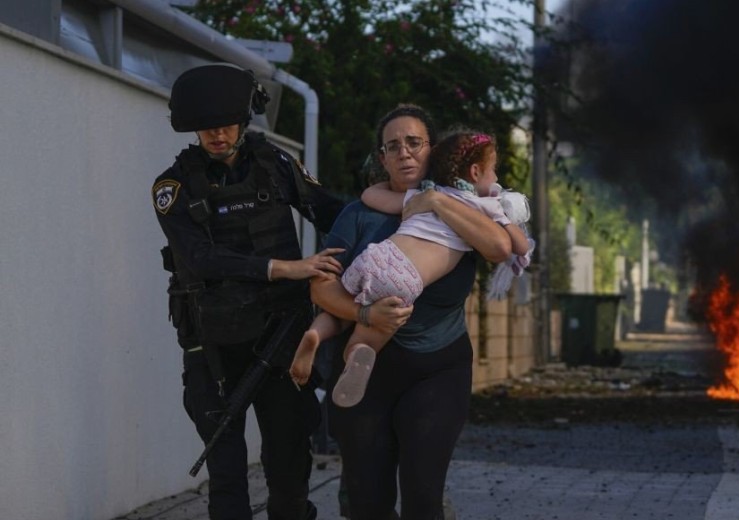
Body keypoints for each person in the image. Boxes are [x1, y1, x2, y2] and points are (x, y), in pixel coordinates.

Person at [152, 63, 347, 520]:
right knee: (226, 475)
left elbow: (331, 213)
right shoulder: (172, 186)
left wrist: (398, 216)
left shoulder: (275, 164)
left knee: (288, 466)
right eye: (207, 128)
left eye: (225, 125)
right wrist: (284, 267)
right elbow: (201, 259)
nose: (217, 135)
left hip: (281, 337)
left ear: (244, 121)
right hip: (213, 344)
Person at [311, 104, 514, 519]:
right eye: (393, 146)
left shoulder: (463, 206)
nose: (404, 152)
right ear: (382, 158)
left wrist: (436, 202)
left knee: (423, 499)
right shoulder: (359, 215)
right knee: (367, 505)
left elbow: (499, 248)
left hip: (438, 368)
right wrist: (365, 315)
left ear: (433, 150)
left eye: (414, 143)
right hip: (368, 369)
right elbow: (321, 285)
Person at [288, 130, 532, 408]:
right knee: (370, 333)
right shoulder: (486, 208)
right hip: (405, 279)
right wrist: (509, 221)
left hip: (377, 256)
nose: (497, 179)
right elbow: (519, 247)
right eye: (494, 172)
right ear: (476, 172)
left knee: (339, 308)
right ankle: (358, 353)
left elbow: (371, 195)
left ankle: (315, 334)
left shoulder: (425, 194)